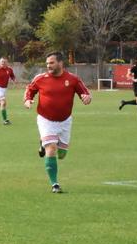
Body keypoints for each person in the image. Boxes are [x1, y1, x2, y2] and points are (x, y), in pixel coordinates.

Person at [24, 52, 91, 193]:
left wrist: (87, 98)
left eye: (51, 63)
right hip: (45, 119)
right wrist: (27, 100)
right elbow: (30, 90)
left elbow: (85, 93)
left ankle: (43, 143)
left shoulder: (73, 79)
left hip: (65, 121)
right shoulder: (40, 78)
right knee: (51, 149)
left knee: (61, 155)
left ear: (61, 63)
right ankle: (55, 184)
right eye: (47, 63)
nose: (48, 65)